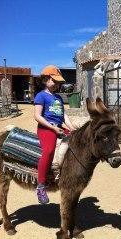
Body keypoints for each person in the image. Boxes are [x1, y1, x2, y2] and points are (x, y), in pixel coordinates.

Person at [34, 65, 75, 204]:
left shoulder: (58, 98)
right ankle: (40, 186)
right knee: (49, 150)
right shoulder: (41, 96)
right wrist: (52, 128)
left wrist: (71, 127)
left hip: (58, 127)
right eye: (54, 81)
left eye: (59, 82)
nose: (57, 84)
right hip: (46, 129)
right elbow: (37, 116)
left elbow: (63, 116)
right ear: (46, 79)